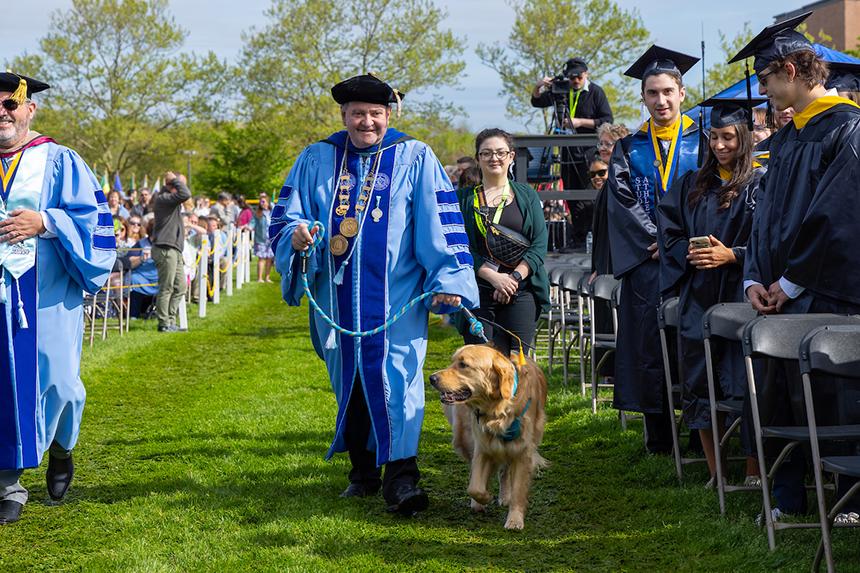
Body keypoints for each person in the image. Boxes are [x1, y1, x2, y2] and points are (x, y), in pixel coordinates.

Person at [270, 73, 478, 516]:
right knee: (351, 380)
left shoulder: (414, 157)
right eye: (358, 114)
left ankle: (402, 480)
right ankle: (362, 472)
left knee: (398, 383)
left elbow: (439, 222)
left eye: (376, 114)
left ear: (389, 116)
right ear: (344, 115)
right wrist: (298, 234)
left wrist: (448, 280)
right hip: (336, 298)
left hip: (395, 299)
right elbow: (286, 216)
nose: (367, 122)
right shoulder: (316, 159)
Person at [731, 12, 860, 525]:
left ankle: (851, 501)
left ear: (789, 69)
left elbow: (837, 216)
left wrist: (789, 282)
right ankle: (787, 499)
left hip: (827, 292)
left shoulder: (847, 130)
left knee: (839, 395)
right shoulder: (785, 140)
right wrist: (754, 279)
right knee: (779, 395)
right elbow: (764, 221)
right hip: (778, 295)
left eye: (765, 78)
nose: (763, 88)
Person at [0, 72, 116, 525]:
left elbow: (94, 220)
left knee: (60, 383)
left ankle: (62, 447)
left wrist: (45, 222)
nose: (3, 113)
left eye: (11, 104)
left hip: (47, 296)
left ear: (30, 110)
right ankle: (9, 483)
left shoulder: (59, 160)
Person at [658, 97, 765, 486]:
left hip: (742, 293)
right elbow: (667, 229)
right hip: (699, 294)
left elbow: (776, 242)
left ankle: (753, 469)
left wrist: (733, 255)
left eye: (729, 137)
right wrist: (686, 250)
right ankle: (716, 471)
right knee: (699, 380)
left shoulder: (761, 184)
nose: (720, 146)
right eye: (714, 137)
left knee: (746, 378)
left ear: (745, 138)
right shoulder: (692, 185)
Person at [605, 45, 700, 454]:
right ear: (642, 98)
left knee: (695, 343)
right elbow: (621, 199)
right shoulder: (629, 148)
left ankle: (701, 433)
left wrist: (679, 243)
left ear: (682, 93)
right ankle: (658, 435)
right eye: (652, 94)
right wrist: (658, 241)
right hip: (648, 261)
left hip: (696, 259)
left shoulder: (706, 140)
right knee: (648, 345)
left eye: (667, 92)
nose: (660, 101)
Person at [457, 128, 550, 356]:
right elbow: (458, 246)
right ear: (478, 158)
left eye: (500, 152)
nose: (494, 158)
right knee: (480, 366)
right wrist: (493, 277)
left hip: (521, 290)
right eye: (486, 153)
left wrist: (513, 278)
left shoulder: (527, 195)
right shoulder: (463, 199)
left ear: (511, 156)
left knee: (519, 363)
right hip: (478, 291)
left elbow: (539, 244)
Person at [532, 57, 613, 245]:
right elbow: (537, 102)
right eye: (571, 77)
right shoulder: (561, 89)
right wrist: (539, 87)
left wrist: (580, 122)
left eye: (579, 77)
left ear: (586, 74)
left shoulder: (595, 92)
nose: (575, 81)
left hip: (587, 150)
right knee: (570, 193)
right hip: (567, 150)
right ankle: (577, 236)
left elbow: (607, 119)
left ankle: (591, 235)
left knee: (589, 193)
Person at [150, 171, 191, 332]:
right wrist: (174, 180)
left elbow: (184, 193)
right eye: (178, 184)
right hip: (165, 249)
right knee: (166, 288)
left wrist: (175, 181)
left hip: (174, 249)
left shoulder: (170, 201)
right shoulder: (163, 199)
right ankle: (163, 323)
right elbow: (185, 194)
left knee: (181, 286)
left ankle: (171, 320)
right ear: (171, 186)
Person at [250, 193, 274, 282]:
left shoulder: (273, 212)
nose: (262, 203)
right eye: (261, 202)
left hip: (271, 239)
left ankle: (267, 278)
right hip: (261, 239)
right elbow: (252, 223)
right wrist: (247, 227)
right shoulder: (257, 213)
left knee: (269, 259)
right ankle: (259, 278)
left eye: (264, 201)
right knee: (261, 258)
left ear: (268, 202)